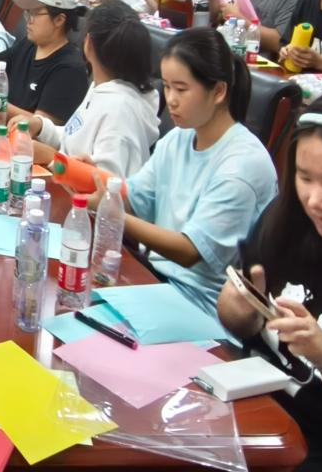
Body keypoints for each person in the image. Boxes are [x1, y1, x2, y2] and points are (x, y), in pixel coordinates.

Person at [91, 27, 278, 315]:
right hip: (155, 280)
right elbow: (135, 198)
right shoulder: (180, 137)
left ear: (218, 92)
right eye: (166, 86)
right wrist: (86, 175)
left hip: (202, 307)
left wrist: (113, 215)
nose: (171, 99)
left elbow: (190, 251)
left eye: (181, 89)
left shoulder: (243, 165)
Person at [217, 89, 322, 469]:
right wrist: (239, 312)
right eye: (304, 177)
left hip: (321, 449)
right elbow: (246, 330)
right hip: (245, 411)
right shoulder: (286, 223)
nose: (315, 200)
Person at [25, 0, 159, 176]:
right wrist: (41, 126)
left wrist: (51, 158)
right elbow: (75, 136)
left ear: (88, 43)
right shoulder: (102, 86)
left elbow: (105, 183)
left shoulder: (120, 111)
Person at [0, 0, 89, 124]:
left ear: (59, 20)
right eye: (27, 12)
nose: (28, 20)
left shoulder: (69, 70)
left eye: (35, 13)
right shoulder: (30, 44)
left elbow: (42, 126)